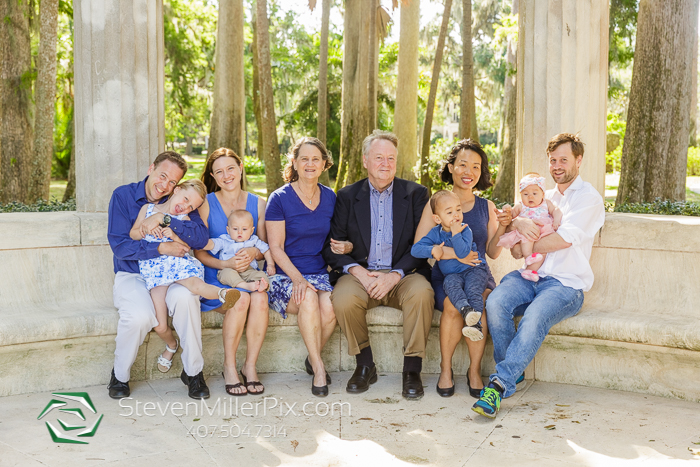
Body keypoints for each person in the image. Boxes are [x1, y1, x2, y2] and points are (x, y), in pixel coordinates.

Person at [472, 133, 605, 419]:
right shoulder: (542, 195)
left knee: (533, 317)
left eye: (564, 160)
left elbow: (563, 239)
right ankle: (514, 373)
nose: (557, 166)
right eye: (553, 160)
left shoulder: (588, 198)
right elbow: (518, 239)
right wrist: (518, 222)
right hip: (531, 275)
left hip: (566, 286)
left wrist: (525, 243)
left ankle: (499, 383)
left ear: (578, 160)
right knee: (495, 302)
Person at [323, 130, 434, 400]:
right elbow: (333, 247)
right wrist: (358, 271)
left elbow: (422, 245)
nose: (386, 163)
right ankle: (365, 364)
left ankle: (412, 370)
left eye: (391, 158)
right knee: (344, 298)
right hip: (362, 272)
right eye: (379, 157)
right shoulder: (348, 196)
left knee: (422, 294)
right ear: (365, 160)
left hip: (405, 273)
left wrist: (395, 275)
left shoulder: (416, 194)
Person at [107, 151, 210, 400]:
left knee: (186, 300)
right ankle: (119, 375)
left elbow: (199, 238)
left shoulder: (179, 201)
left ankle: (194, 372)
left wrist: (166, 219)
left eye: (173, 182)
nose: (165, 185)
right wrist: (160, 247)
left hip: (172, 274)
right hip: (133, 273)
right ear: (151, 168)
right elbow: (121, 246)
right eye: (162, 176)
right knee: (139, 317)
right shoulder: (123, 196)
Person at [414, 139, 510, 399]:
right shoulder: (437, 204)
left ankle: (474, 371)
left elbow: (492, 252)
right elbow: (419, 245)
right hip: (446, 275)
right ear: (451, 167)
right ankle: (446, 370)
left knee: (479, 301)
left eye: (476, 167)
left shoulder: (486, 207)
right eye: (463, 165)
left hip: (478, 274)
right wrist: (454, 253)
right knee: (452, 305)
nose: (469, 172)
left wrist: (502, 226)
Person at [130, 179, 241, 374]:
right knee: (159, 324)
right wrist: (146, 229)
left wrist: (172, 235)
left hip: (176, 264)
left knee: (195, 285)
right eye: (186, 199)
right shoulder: (147, 209)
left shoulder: (184, 219)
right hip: (156, 271)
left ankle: (224, 293)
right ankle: (171, 345)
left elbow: (187, 246)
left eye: (191, 206)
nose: (186, 207)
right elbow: (133, 234)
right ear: (177, 189)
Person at [266, 137, 340, 397]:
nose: (310, 164)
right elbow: (275, 247)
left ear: (323, 165)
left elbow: (336, 239)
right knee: (308, 298)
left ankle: (312, 357)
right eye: (304, 159)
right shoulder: (279, 198)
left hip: (319, 273)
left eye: (315, 159)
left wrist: (345, 248)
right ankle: (319, 368)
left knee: (331, 305)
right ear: (295, 164)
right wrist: (297, 279)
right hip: (285, 275)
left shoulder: (331, 197)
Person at [194, 148, 269, 396]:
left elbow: (262, 247)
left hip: (248, 273)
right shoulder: (206, 204)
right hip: (217, 277)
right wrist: (226, 265)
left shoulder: (259, 203)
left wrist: (253, 254)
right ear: (213, 176)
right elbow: (200, 253)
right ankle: (229, 367)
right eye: (219, 171)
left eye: (230, 168)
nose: (226, 175)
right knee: (241, 297)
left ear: (240, 168)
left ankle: (250, 366)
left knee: (260, 297)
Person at [411, 190, 490, 341]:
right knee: (450, 285)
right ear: (437, 218)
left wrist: (455, 234)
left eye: (458, 210)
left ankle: (475, 325)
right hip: (452, 275)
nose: (456, 215)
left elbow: (462, 253)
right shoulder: (435, 233)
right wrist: (432, 249)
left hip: (474, 269)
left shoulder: (465, 229)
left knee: (472, 291)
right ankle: (466, 310)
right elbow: (415, 250)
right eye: (449, 212)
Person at [497, 173, 563, 281]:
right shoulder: (520, 206)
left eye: (534, 193)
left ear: (542, 194)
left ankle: (530, 270)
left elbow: (556, 211)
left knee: (543, 252)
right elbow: (511, 217)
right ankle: (528, 256)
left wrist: (556, 220)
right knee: (527, 238)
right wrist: (507, 210)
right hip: (526, 231)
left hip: (543, 231)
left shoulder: (546, 203)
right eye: (526, 194)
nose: (530, 196)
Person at [205, 209, 275, 293]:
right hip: (229, 269)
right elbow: (212, 244)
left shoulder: (254, 240)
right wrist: (202, 243)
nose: (240, 232)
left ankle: (261, 285)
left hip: (249, 271)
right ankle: (245, 285)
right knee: (225, 274)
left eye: (244, 229)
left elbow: (266, 250)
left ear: (252, 231)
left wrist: (270, 264)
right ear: (228, 230)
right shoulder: (225, 240)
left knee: (262, 275)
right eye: (235, 229)